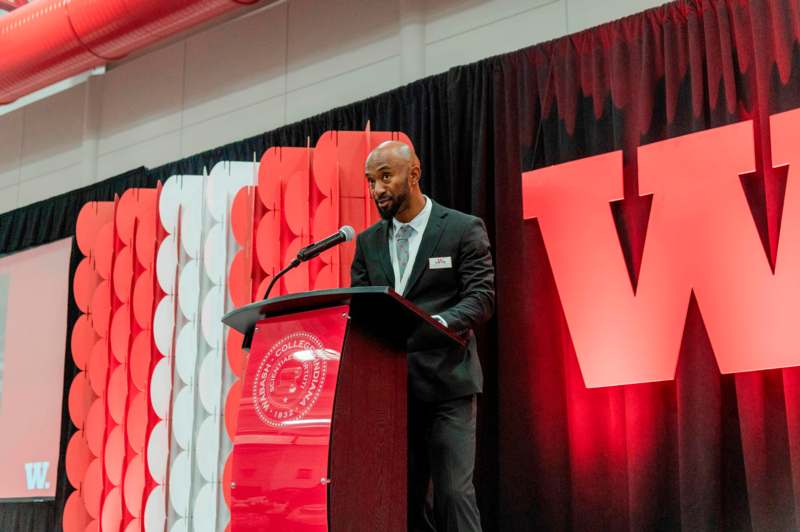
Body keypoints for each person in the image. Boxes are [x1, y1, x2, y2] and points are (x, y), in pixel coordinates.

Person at [350, 140, 495, 532]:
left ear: (413, 174)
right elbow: (362, 314)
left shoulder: (463, 229)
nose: (377, 189)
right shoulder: (366, 244)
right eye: (370, 181)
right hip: (393, 396)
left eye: (385, 176)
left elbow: (481, 299)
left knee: (453, 496)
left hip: (448, 385)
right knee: (403, 502)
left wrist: (438, 322)